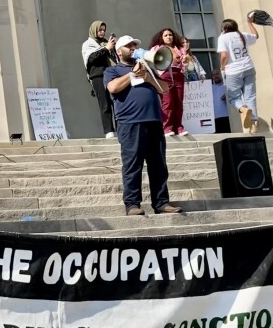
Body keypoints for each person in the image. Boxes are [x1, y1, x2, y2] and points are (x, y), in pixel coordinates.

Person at [104, 36, 182, 217]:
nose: (132, 48)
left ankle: (161, 202)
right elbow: (113, 88)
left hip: (154, 121)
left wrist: (148, 77)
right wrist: (132, 75)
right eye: (128, 46)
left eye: (134, 45)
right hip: (130, 123)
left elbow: (164, 88)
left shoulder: (148, 68)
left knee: (158, 165)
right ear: (119, 51)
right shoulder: (113, 70)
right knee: (133, 164)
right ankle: (132, 204)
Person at [218, 17, 260, 134]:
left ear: (223, 28)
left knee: (233, 97)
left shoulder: (223, 38)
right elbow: (256, 36)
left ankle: (243, 109)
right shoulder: (242, 35)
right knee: (250, 96)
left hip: (233, 70)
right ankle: (254, 124)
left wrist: (222, 67)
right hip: (249, 67)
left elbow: (224, 55)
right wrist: (249, 23)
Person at [149, 28, 191, 137]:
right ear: (161, 37)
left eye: (170, 35)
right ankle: (167, 128)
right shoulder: (157, 48)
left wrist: (186, 60)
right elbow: (151, 59)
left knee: (178, 101)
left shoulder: (179, 49)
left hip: (178, 75)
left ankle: (178, 127)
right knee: (167, 102)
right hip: (164, 75)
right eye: (166, 35)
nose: (168, 37)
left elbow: (186, 65)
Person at [81, 20, 116, 138]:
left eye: (104, 30)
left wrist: (112, 47)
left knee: (116, 102)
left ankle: (120, 128)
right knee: (104, 103)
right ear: (94, 30)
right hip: (98, 76)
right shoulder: (88, 44)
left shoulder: (106, 43)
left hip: (111, 75)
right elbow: (91, 59)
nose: (102, 32)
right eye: (100, 30)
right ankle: (109, 131)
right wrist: (106, 49)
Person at [211, 69, 231, 134]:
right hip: (214, 119)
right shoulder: (209, 88)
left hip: (227, 117)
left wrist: (227, 96)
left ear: (221, 74)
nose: (215, 76)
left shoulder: (228, 86)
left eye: (217, 74)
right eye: (213, 75)